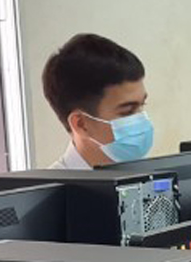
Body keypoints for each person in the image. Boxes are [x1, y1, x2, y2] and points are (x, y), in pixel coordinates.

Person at [42, 32, 153, 168]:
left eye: (142, 105)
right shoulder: (55, 189)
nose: (141, 121)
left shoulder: (156, 179)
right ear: (81, 124)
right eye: (127, 112)